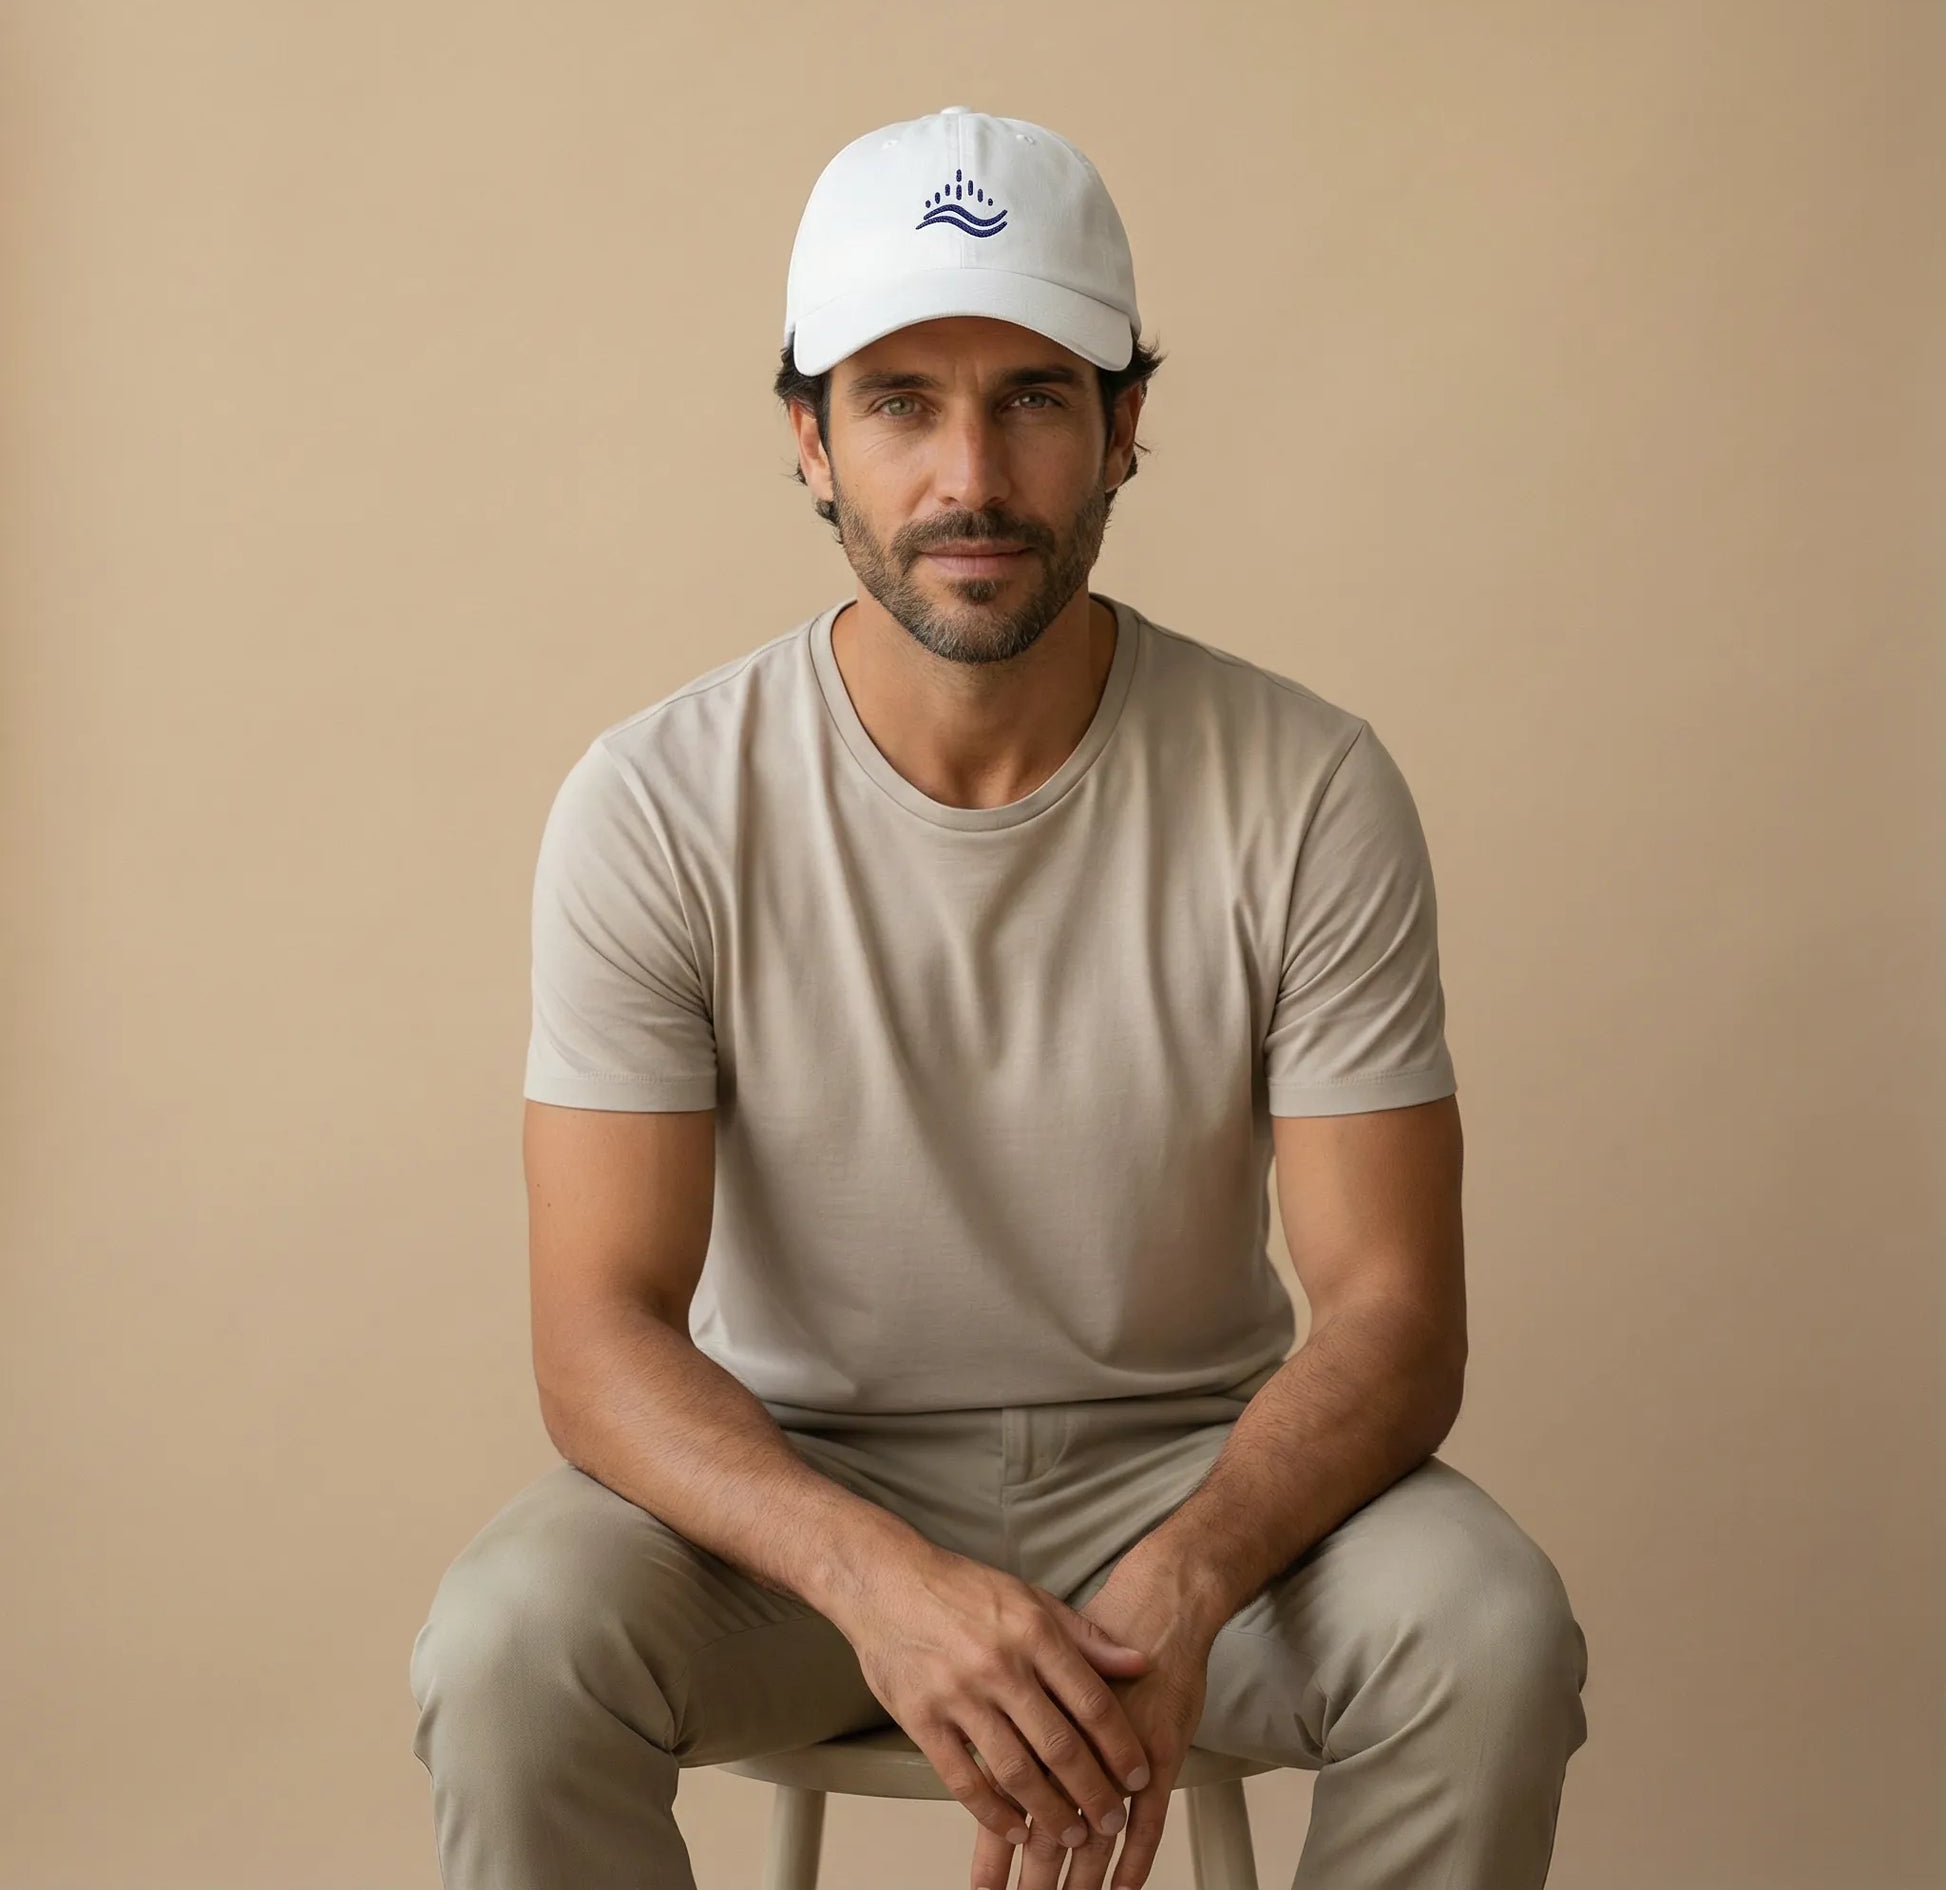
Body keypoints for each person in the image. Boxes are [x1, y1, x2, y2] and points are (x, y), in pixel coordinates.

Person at [408, 104, 1589, 1890]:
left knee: (1484, 1631)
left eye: (1034, 395)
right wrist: (873, 1577)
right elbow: (598, 1335)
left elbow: (1390, 1313)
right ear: (807, 442)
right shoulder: (654, 801)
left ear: (1123, 427)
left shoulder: (1307, 784)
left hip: (1200, 1481)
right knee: (505, 1649)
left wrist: (1186, 1575)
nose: (970, 473)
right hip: (793, 1501)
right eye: (899, 401)